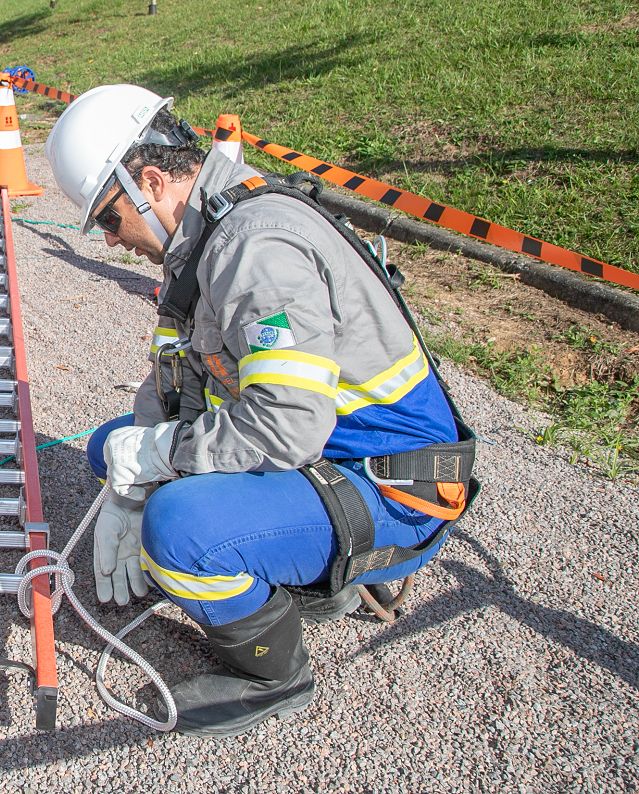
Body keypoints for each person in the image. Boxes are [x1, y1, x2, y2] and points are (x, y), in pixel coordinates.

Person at [43, 85, 478, 738]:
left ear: (152, 183)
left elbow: (287, 425)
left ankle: (273, 676)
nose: (110, 241)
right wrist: (135, 456)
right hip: (330, 459)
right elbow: (175, 385)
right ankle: (262, 559)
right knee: (113, 445)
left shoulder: (256, 252)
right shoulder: (208, 238)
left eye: (108, 219)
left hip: (392, 483)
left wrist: (161, 464)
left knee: (180, 527)